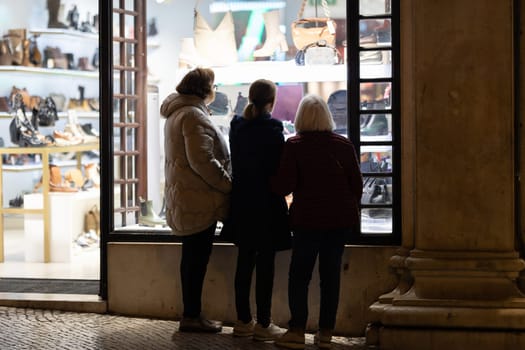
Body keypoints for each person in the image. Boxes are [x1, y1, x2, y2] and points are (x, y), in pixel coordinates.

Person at [272, 94, 363, 349]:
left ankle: (297, 330)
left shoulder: (295, 145)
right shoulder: (343, 145)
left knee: (299, 276)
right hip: (339, 221)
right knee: (330, 276)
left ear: (301, 117)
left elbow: (284, 185)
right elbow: (357, 185)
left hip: (307, 221)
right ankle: (326, 333)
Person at [160, 67, 232, 333]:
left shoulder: (179, 112)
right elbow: (203, 160)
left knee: (192, 258)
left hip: (187, 196)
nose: (216, 89)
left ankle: (191, 314)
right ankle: (191, 315)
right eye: (213, 84)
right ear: (204, 89)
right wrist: (227, 185)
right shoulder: (193, 116)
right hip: (198, 199)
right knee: (196, 260)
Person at [227, 79, 290, 341]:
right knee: (265, 265)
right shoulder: (273, 129)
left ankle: (243, 321)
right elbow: (279, 167)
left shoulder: (237, 127)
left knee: (244, 262)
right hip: (266, 204)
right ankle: (264, 323)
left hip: (242, 202)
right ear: (271, 102)